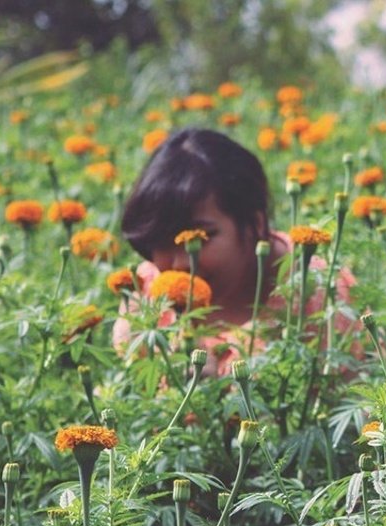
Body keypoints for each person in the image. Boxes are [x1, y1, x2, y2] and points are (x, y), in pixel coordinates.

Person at [113, 128, 358, 376]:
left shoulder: (321, 294)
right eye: (164, 240)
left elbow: (361, 402)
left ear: (256, 223)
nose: (181, 263)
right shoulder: (144, 295)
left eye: (200, 237)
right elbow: (133, 399)